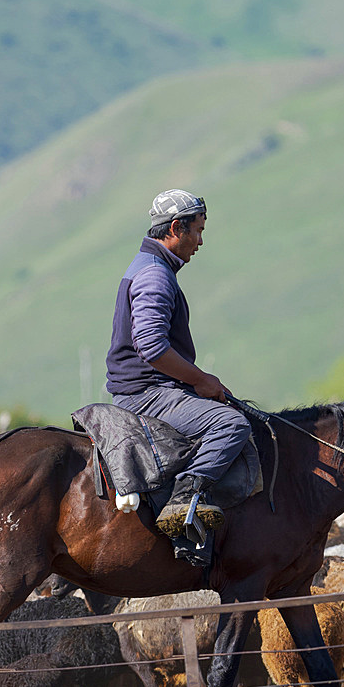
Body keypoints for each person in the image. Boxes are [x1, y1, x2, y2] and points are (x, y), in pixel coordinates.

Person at [106, 190, 251, 537]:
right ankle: (184, 500)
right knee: (231, 424)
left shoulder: (149, 267)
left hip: (150, 388)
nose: (200, 241)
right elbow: (152, 347)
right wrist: (201, 379)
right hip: (145, 394)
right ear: (175, 227)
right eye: (197, 231)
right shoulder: (155, 275)